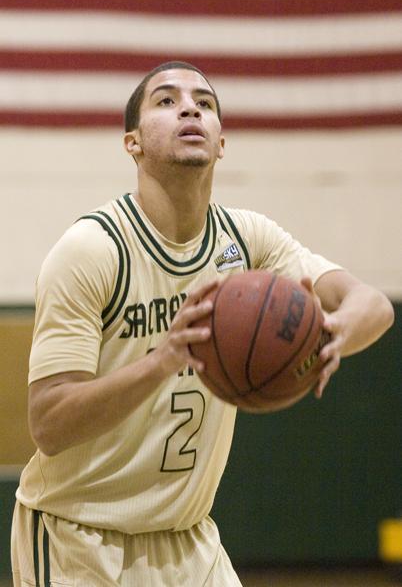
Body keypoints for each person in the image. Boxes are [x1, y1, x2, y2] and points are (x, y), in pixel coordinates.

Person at [11, 61, 394, 586]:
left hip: (188, 538)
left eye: (204, 103)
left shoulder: (248, 238)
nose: (189, 107)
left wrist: (334, 334)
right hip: (80, 539)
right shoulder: (92, 250)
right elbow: (49, 424)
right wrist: (164, 360)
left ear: (220, 143)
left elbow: (372, 303)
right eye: (166, 101)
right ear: (133, 143)